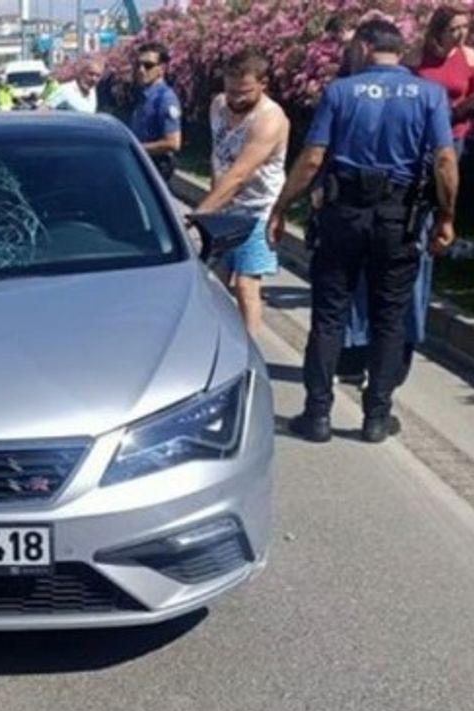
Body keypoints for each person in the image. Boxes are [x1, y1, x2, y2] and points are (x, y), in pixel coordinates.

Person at [266, 19, 458, 444]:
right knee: (389, 317)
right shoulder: (429, 94)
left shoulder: (341, 91)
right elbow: (445, 161)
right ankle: (376, 417)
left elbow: (313, 158)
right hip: (398, 217)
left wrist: (281, 207)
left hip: (344, 215)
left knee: (329, 314)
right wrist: (446, 217)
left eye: (353, 47)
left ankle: (317, 414)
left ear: (366, 47)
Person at [338, 5, 474, 386]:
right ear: (437, 30)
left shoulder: (467, 58)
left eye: (465, 27)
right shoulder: (414, 62)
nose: (460, 34)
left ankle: (392, 356)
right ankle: (362, 354)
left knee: (408, 257)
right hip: (411, 153)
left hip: (446, 147)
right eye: (454, 28)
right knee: (386, 260)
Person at [193, 49, 289, 339]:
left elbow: (239, 174)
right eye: (231, 90)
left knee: (246, 285)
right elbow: (218, 158)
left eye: (244, 92)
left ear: (263, 84)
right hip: (224, 209)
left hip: (257, 211)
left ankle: (250, 349)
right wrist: (214, 205)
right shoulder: (218, 106)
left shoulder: (269, 119)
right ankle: (216, 341)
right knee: (214, 283)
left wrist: (198, 215)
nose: (235, 99)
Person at [128, 42, 183, 182]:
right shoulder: (145, 95)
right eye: (138, 65)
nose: (141, 70)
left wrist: (137, 148)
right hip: (143, 164)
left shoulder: (165, 99)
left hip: (156, 167)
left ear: (161, 69)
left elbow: (173, 143)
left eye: (148, 65)